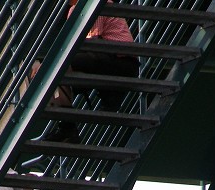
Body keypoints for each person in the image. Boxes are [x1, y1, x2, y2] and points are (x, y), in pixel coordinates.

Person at [33, 0, 139, 143]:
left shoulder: (94, 2)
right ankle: (67, 127)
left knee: (56, 68)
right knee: (51, 72)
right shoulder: (74, 10)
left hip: (121, 60)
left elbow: (91, 41)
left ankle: (69, 127)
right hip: (102, 56)